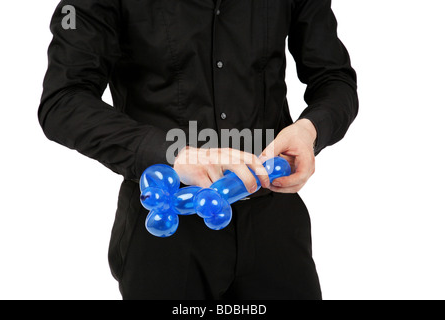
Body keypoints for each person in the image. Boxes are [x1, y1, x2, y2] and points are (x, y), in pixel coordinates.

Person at [38, 0, 358, 300]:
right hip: (167, 227)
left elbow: (334, 78)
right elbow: (63, 100)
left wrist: (310, 130)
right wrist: (172, 154)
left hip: (275, 221)